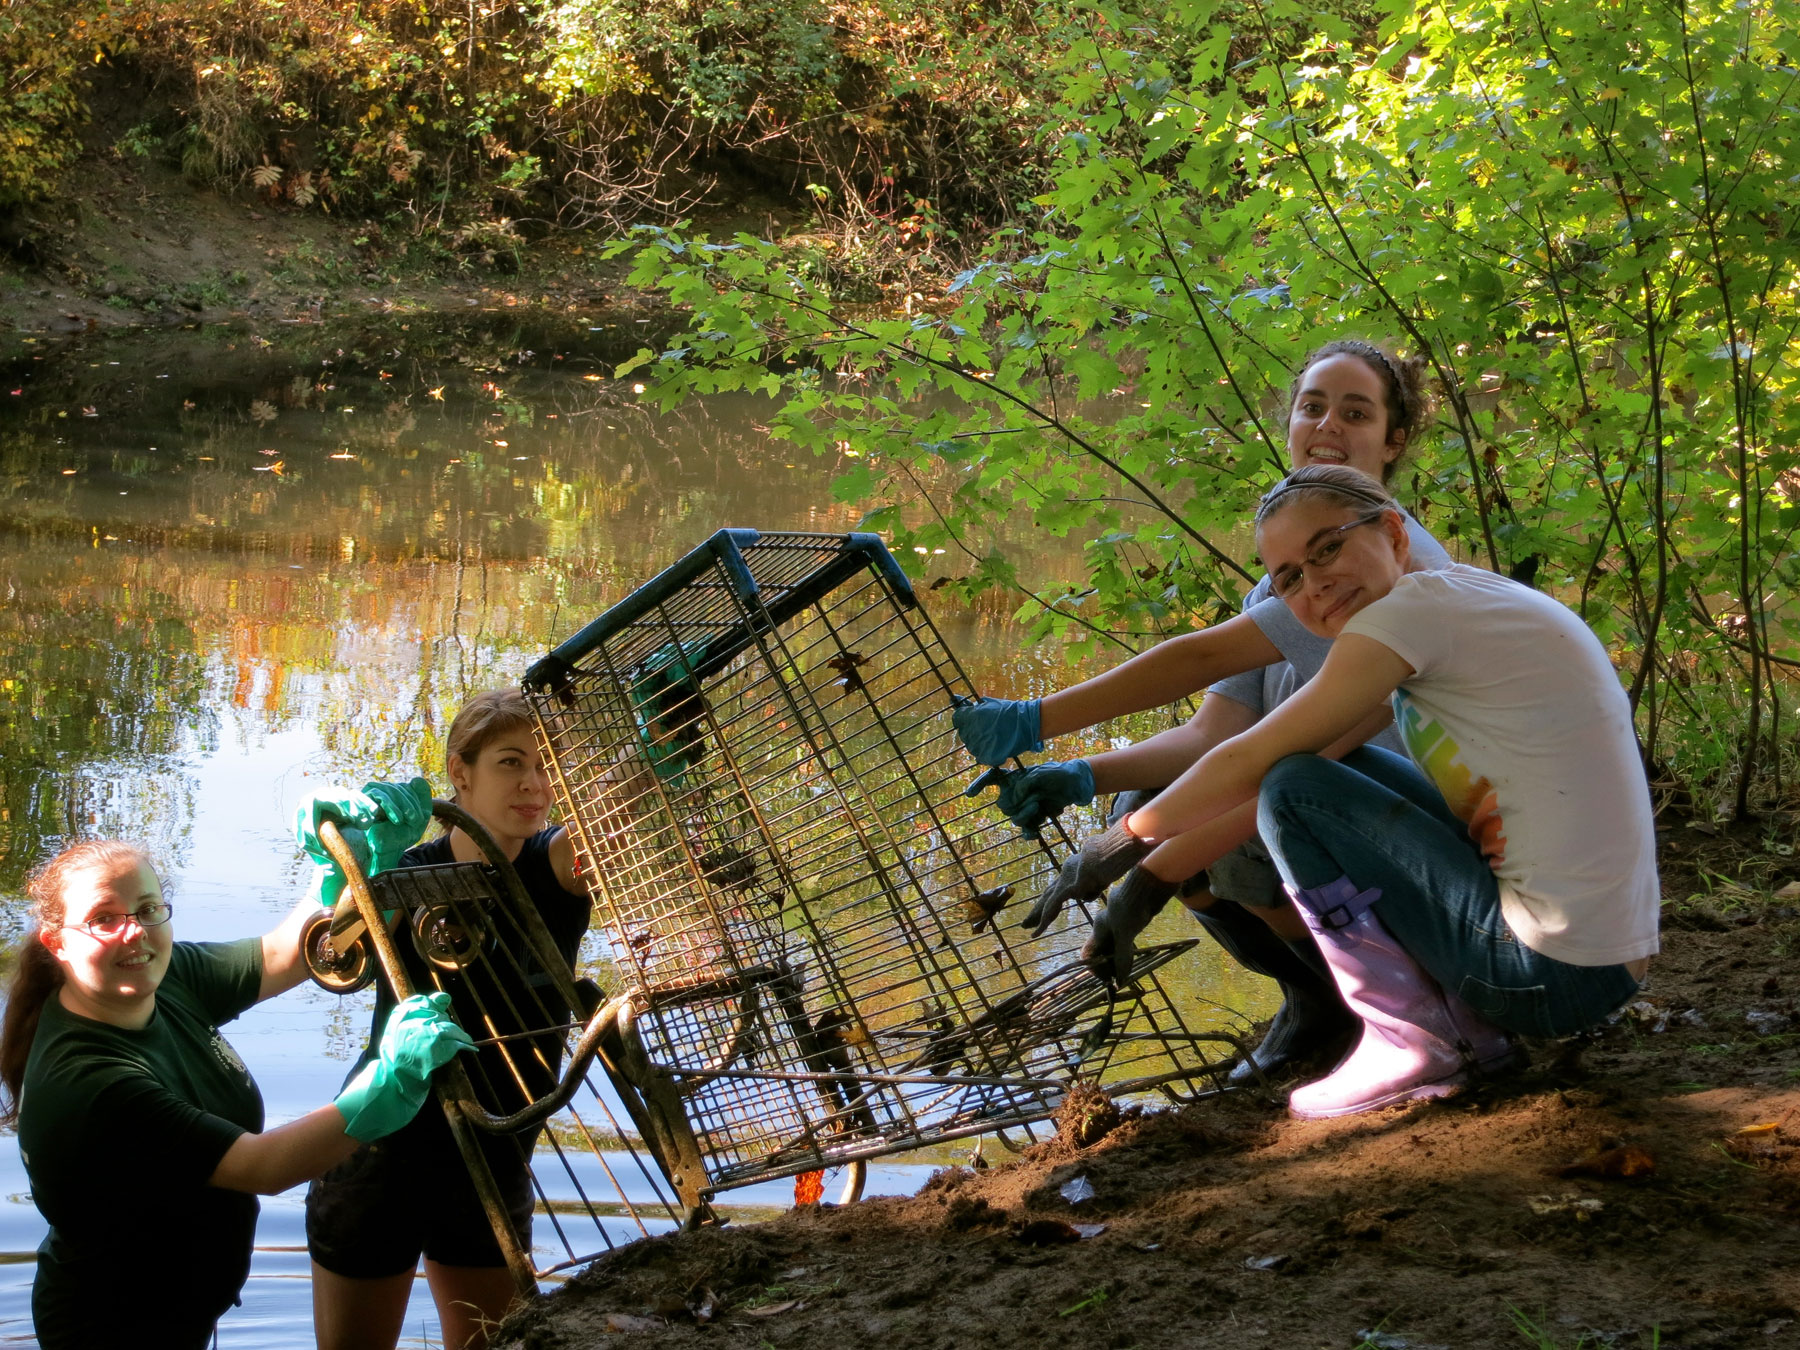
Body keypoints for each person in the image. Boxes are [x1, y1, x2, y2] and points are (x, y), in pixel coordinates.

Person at [1063, 464, 1658, 1117]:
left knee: (1293, 788)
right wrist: (1146, 875)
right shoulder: (1451, 599)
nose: (1315, 581)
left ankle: (1420, 1041)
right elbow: (1281, 757)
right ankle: (1445, 1022)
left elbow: (1254, 755)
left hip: (1552, 975)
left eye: (1328, 547)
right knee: (1338, 772)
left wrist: (1117, 844)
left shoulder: (1410, 615)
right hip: (1600, 958)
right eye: (1288, 577)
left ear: (1394, 534)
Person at [957, 339, 1451, 1083]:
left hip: (1407, 834)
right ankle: (1314, 994)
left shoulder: (1386, 563)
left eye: (1357, 412)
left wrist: (1140, 871)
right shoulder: (1287, 576)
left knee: (1220, 827)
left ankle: (1377, 1001)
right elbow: (1211, 732)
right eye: (1312, 406)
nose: (1328, 425)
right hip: (1323, 799)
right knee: (1148, 798)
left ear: (1394, 440)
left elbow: (1208, 668)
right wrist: (1076, 776)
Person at [0, 838, 473, 1350]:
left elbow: (276, 957)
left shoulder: (162, 975)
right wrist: (389, 1082)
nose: (133, 932)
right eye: (103, 918)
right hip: (111, 1327)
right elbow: (263, 1166)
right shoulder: (89, 1083)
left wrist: (339, 875)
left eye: (147, 909)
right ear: (56, 943)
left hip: (181, 1309)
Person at [305, 688, 590, 1350]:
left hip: (494, 1166)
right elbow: (335, 953)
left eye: (546, 765)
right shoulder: (405, 870)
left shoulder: (555, 871)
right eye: (510, 763)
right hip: (382, 1163)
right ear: (460, 773)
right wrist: (363, 871)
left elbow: (623, 819)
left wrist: (662, 733)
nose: (534, 785)